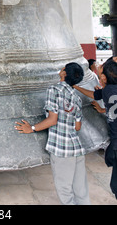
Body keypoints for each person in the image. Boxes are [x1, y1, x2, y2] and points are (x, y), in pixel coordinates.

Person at [15, 62, 90, 205]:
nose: (61, 70)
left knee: (64, 190)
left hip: (62, 149)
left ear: (64, 73)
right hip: (77, 148)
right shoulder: (77, 98)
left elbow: (52, 119)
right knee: (81, 189)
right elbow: (77, 126)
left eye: (63, 69)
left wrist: (32, 128)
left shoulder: (54, 90)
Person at [74, 56, 117, 200]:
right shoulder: (109, 90)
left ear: (104, 77)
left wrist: (75, 86)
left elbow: (93, 94)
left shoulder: (107, 91)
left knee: (116, 185)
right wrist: (103, 110)